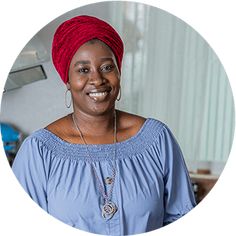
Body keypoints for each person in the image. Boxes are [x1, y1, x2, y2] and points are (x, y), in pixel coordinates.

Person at [12, 15, 196, 235]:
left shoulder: (156, 139)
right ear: (67, 81)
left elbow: (182, 219)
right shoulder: (38, 152)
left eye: (107, 67)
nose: (97, 79)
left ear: (119, 73)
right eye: (83, 70)